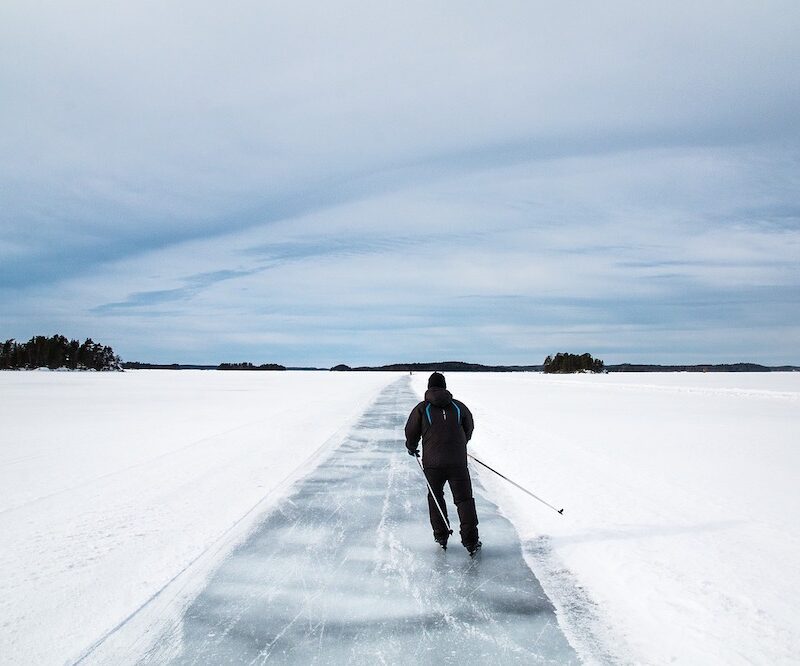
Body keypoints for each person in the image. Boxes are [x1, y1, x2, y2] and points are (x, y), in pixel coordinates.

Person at [405, 372, 481, 555]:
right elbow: (468, 428)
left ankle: (441, 536)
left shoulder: (422, 408)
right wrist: (461, 444)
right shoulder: (459, 406)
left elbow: (411, 430)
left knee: (435, 497)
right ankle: (471, 541)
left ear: (429, 387)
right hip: (457, 462)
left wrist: (411, 446)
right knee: (464, 500)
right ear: (444, 386)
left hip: (432, 463)